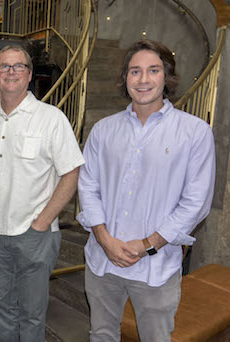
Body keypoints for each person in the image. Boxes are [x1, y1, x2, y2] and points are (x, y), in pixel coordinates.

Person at [77, 39, 215, 341]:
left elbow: (196, 203)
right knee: (101, 335)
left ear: (166, 77)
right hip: (103, 261)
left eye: (152, 71)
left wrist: (147, 244)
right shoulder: (103, 130)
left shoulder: (194, 133)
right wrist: (104, 239)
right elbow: (88, 187)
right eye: (134, 71)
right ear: (125, 79)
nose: (143, 80)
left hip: (155, 267)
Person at [0, 45, 84, 341]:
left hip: (34, 234)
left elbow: (71, 173)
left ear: (30, 74)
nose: (10, 72)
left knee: (32, 314)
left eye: (18, 66)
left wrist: (41, 224)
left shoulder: (51, 118)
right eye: (3, 67)